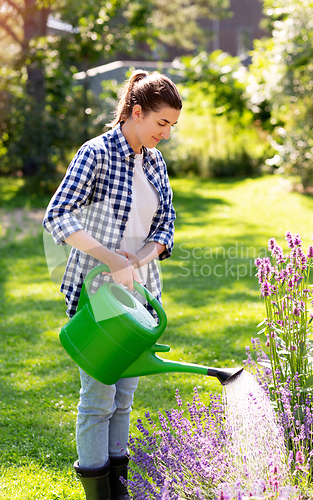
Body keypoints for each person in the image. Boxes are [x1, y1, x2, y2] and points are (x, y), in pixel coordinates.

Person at [43, 70, 182, 500]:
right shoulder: (96, 154)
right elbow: (57, 215)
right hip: (98, 295)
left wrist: (136, 263)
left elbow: (166, 225)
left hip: (139, 293)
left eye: (172, 127)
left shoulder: (155, 162)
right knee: (98, 398)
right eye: (161, 123)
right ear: (136, 112)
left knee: (124, 398)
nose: (166, 134)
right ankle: (97, 493)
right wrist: (110, 260)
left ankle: (118, 489)